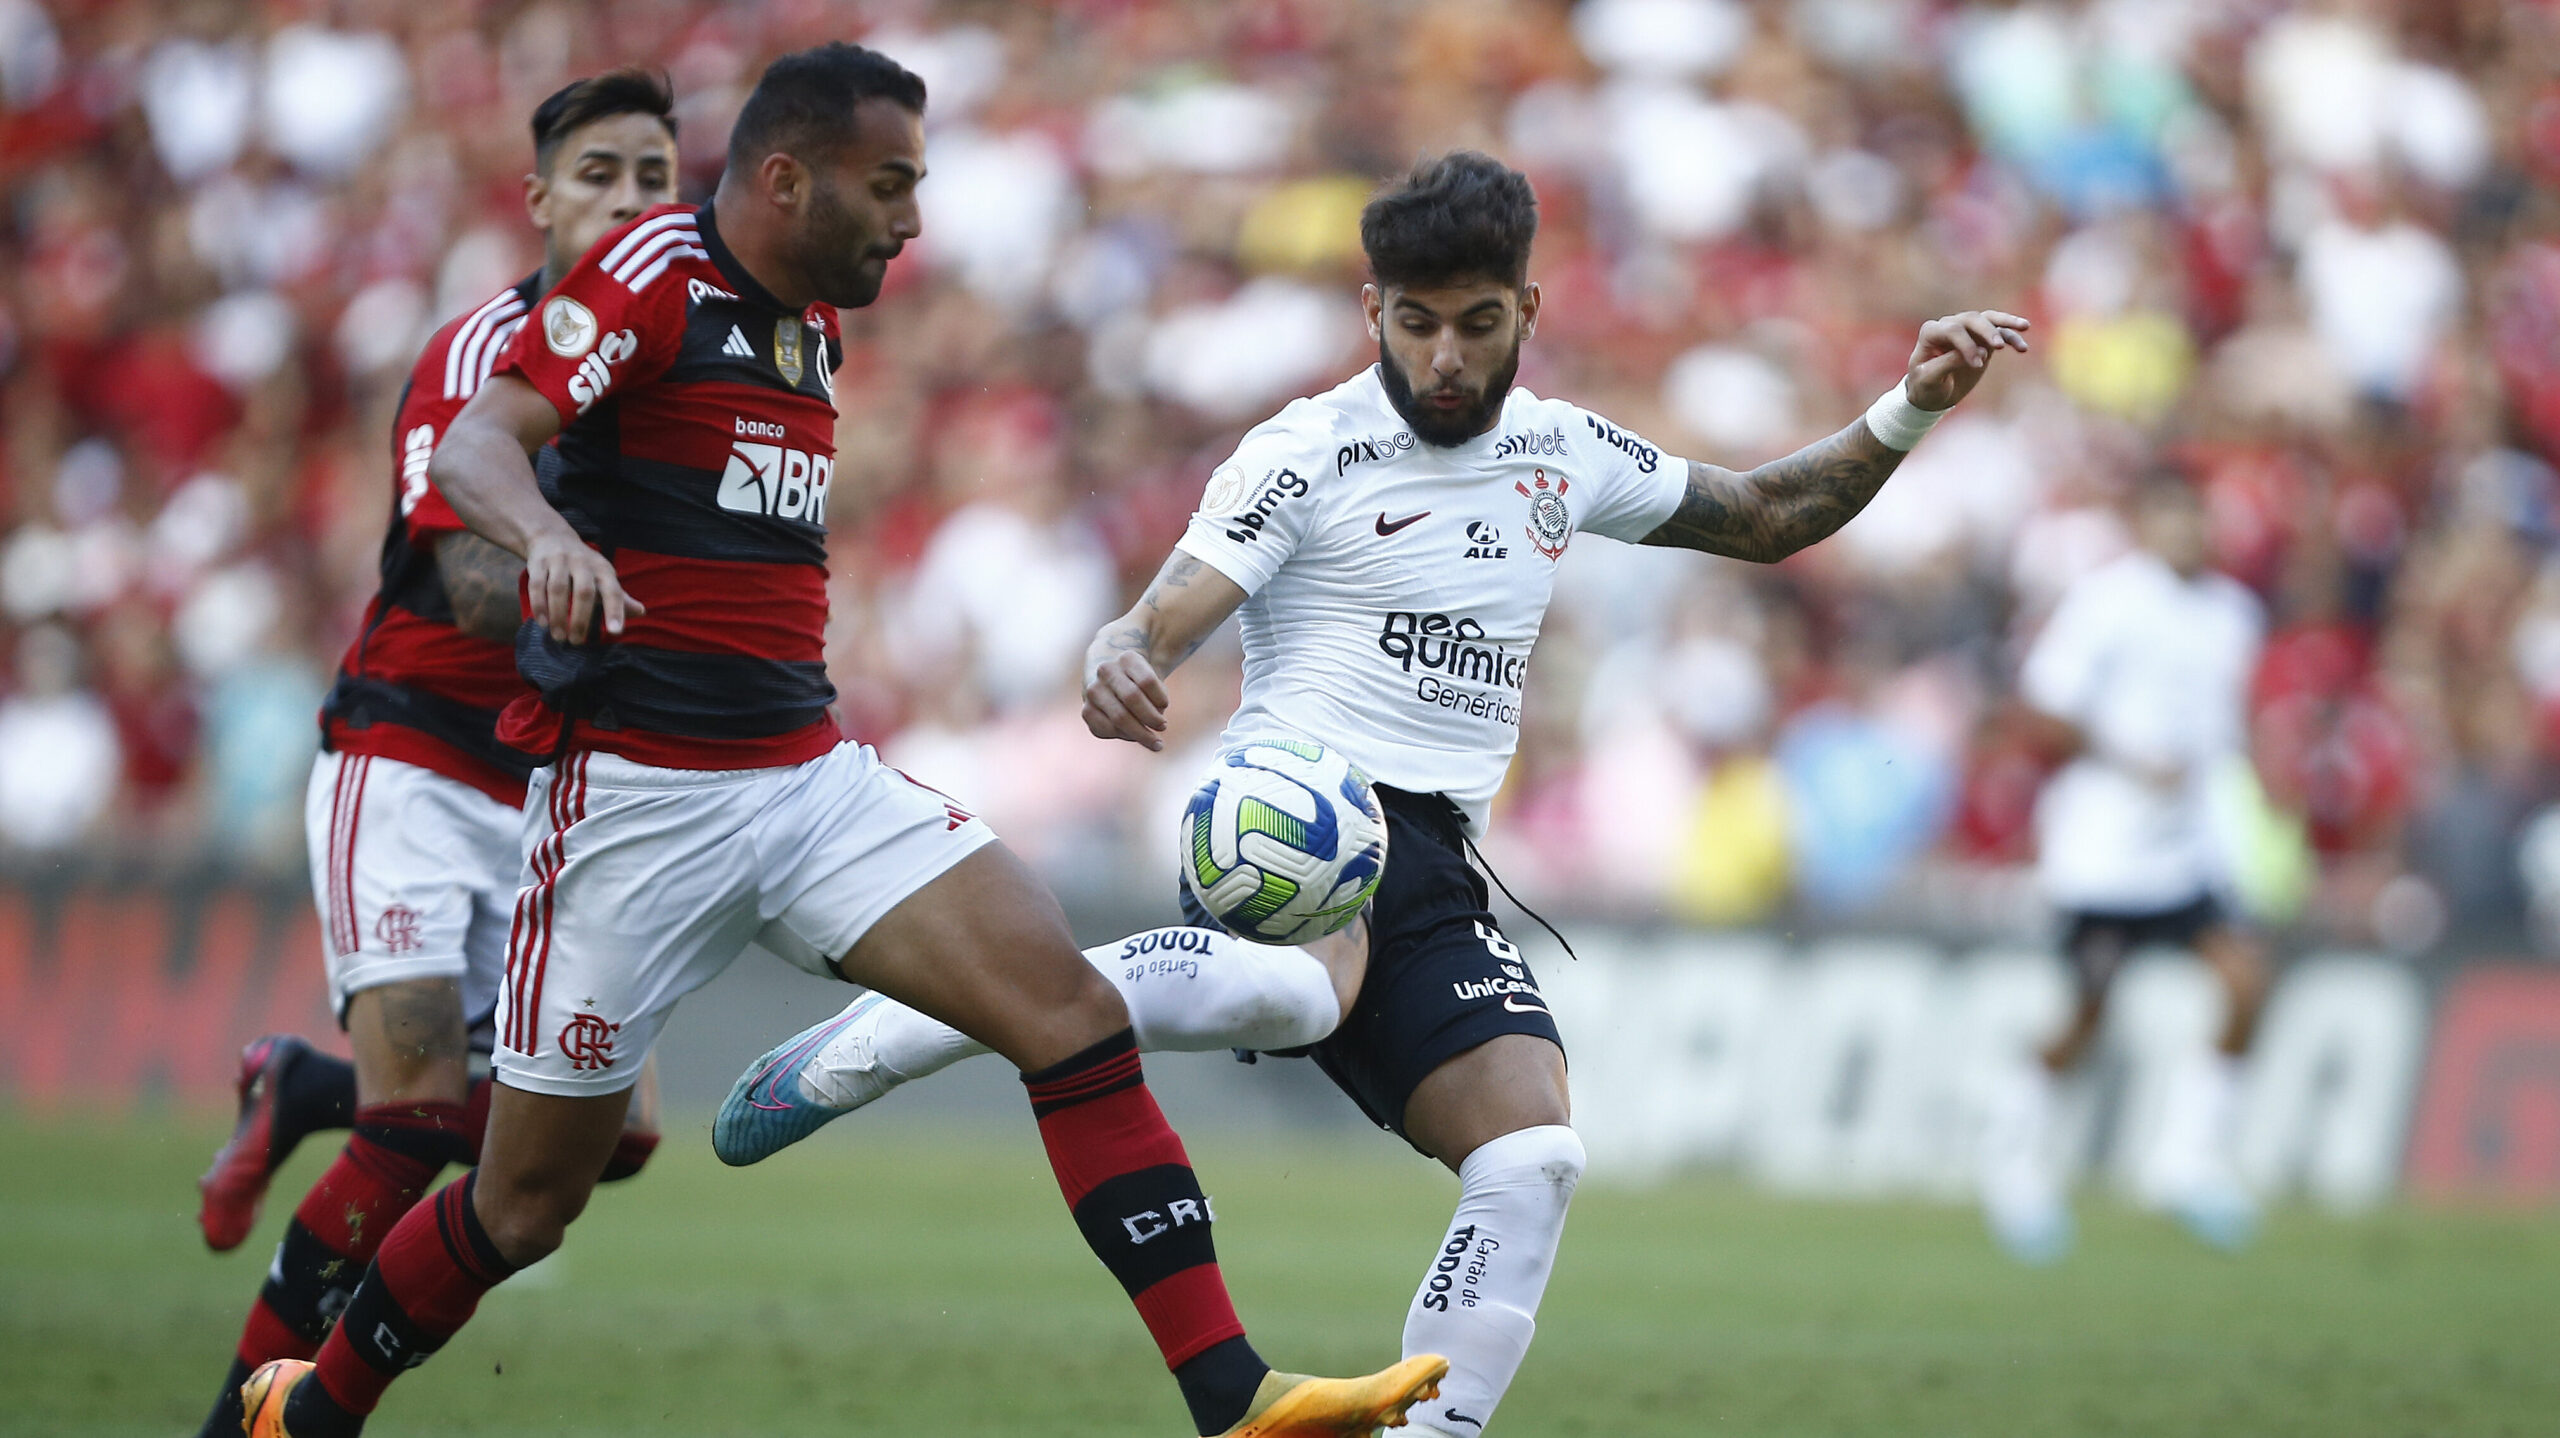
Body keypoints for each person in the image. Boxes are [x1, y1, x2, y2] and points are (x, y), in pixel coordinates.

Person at [721, 151, 2026, 1438]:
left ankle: (1426, 1433)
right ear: (1373, 315)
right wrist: (1122, 653)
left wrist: (1908, 405)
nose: (1445, 357)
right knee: (1299, 985)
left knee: (1534, 1157)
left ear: (1528, 309)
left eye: (1475, 322)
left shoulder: (1563, 450)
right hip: (1294, 815)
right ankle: (913, 1024)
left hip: (1441, 861)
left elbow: (1767, 512)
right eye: (1416, 324)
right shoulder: (1308, 451)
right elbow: (1172, 605)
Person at [239, 44, 1441, 1438]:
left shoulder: (809, 322)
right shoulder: (649, 279)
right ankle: (313, 1406)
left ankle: (1233, 1396)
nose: (912, 219)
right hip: (632, 808)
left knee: (1069, 1012)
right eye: (889, 185)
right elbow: (477, 450)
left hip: (806, 779)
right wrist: (552, 537)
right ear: (787, 175)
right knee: (522, 1203)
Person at [190, 68, 681, 1438]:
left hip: (553, 789)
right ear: (538, 201)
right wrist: (582, 546)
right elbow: (466, 580)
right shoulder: (487, 354)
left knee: (617, 1141)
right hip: (410, 757)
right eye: (601, 174)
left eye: (654, 176)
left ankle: (301, 1085)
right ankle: (242, 1420)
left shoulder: (685, 364)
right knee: (416, 1124)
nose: (632, 201)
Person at [1979, 472, 2270, 1263]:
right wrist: (2128, 759)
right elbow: (2038, 713)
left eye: (2196, 515)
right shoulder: (2107, 602)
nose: (2186, 530)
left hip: (2188, 856)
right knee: (2087, 1015)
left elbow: (2227, 734)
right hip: (2103, 855)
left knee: (2245, 980)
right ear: (2145, 521)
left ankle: (2186, 1160)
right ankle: (2013, 1167)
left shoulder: (2235, 615)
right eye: (2170, 514)